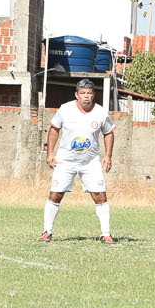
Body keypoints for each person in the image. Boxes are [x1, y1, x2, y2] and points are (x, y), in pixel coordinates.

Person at [43, 79, 116, 244]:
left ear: (93, 95)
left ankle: (106, 234)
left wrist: (108, 155)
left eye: (89, 93)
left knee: (100, 195)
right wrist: (50, 153)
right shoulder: (65, 109)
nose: (86, 96)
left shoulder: (100, 112)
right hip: (65, 161)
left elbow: (109, 132)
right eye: (83, 93)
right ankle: (47, 231)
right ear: (77, 95)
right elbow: (54, 129)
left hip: (90, 162)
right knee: (55, 194)